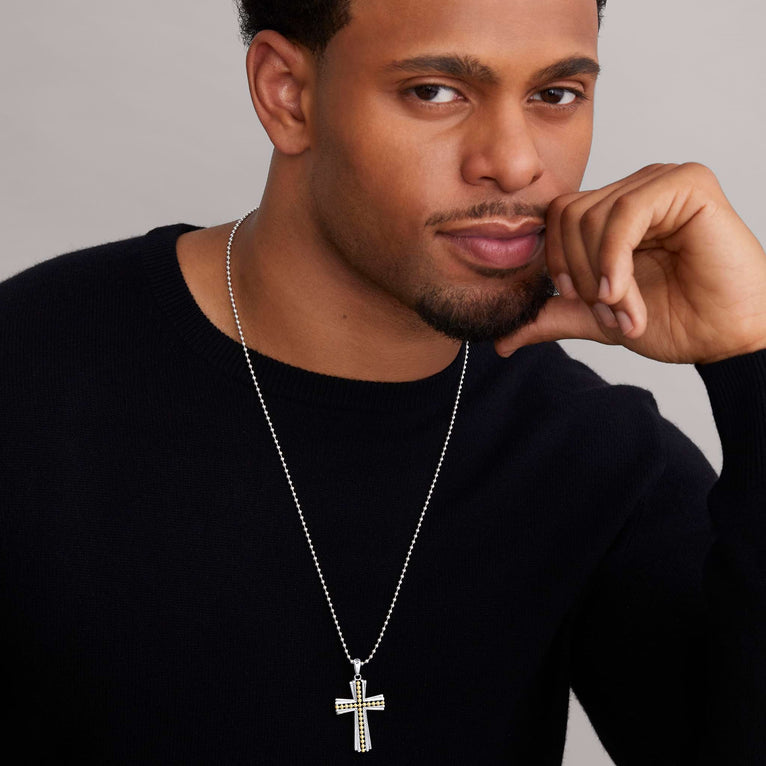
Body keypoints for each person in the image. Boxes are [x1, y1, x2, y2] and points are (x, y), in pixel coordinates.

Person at [1, 0, 764, 763]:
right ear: (286, 93)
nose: (516, 161)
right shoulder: (28, 376)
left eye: (555, 95)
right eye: (435, 91)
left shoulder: (593, 450)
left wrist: (753, 356)